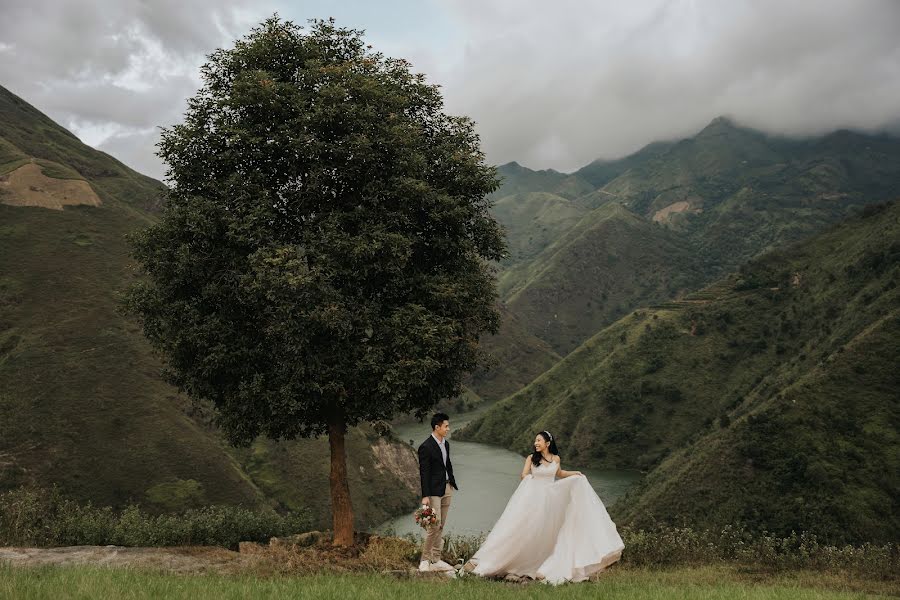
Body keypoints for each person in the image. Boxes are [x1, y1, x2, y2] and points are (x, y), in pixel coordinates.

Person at [464, 431, 624, 584]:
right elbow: (523, 475)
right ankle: (506, 561)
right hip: (534, 499)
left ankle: (542, 563)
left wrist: (575, 473)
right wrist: (531, 481)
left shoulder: (556, 459)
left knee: (547, 531)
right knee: (527, 530)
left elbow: (559, 474)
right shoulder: (532, 458)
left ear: (548, 443)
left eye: (539, 441)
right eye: (535, 441)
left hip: (551, 498)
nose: (536, 443)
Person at [417, 412, 458, 572]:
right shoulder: (426, 447)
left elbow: (448, 464)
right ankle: (424, 560)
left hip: (447, 488)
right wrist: (425, 495)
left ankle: (436, 559)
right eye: (446, 426)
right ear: (437, 427)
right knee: (433, 526)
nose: (448, 429)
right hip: (433, 491)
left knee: (441, 526)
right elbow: (424, 472)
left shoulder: (445, 444)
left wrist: (452, 482)